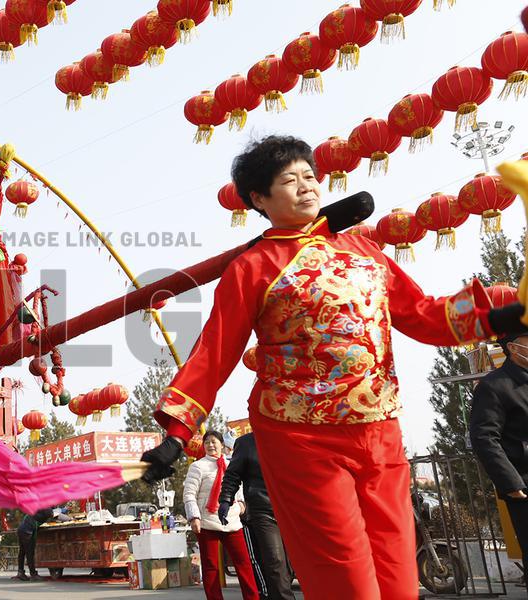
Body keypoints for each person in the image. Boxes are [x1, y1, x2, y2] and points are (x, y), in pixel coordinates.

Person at [140, 135, 525, 600]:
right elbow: (215, 351)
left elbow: (421, 313)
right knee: (347, 578)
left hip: (379, 429)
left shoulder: (365, 252)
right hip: (302, 439)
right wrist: (177, 435)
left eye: (310, 176)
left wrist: (500, 317)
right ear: (259, 199)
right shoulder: (253, 268)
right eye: (290, 180)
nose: (307, 186)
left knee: (398, 576)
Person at [470, 334, 528, 581]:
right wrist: (512, 486)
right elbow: (484, 438)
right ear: (513, 348)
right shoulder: (494, 386)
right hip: (524, 487)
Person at [218, 432, 295, 600]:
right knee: (275, 560)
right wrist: (225, 499)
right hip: (263, 509)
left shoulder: (290, 437)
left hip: (291, 509)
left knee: (290, 566)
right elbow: (232, 475)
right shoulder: (246, 443)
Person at [183, 430, 259, 600]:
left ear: (222, 444)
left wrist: (241, 506)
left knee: (244, 563)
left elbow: (239, 489)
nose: (210, 445)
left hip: (232, 521)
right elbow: (189, 494)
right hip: (207, 522)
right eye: (207, 442)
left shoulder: (231, 464)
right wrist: (194, 517)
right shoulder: (197, 466)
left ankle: (253, 597)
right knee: (211, 566)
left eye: (214, 441)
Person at [13, 508, 52, 582]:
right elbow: (52, 514)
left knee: (22, 552)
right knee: (30, 553)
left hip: (21, 529)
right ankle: (33, 574)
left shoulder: (37, 508)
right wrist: (64, 511)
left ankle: (20, 572)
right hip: (27, 532)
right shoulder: (46, 509)